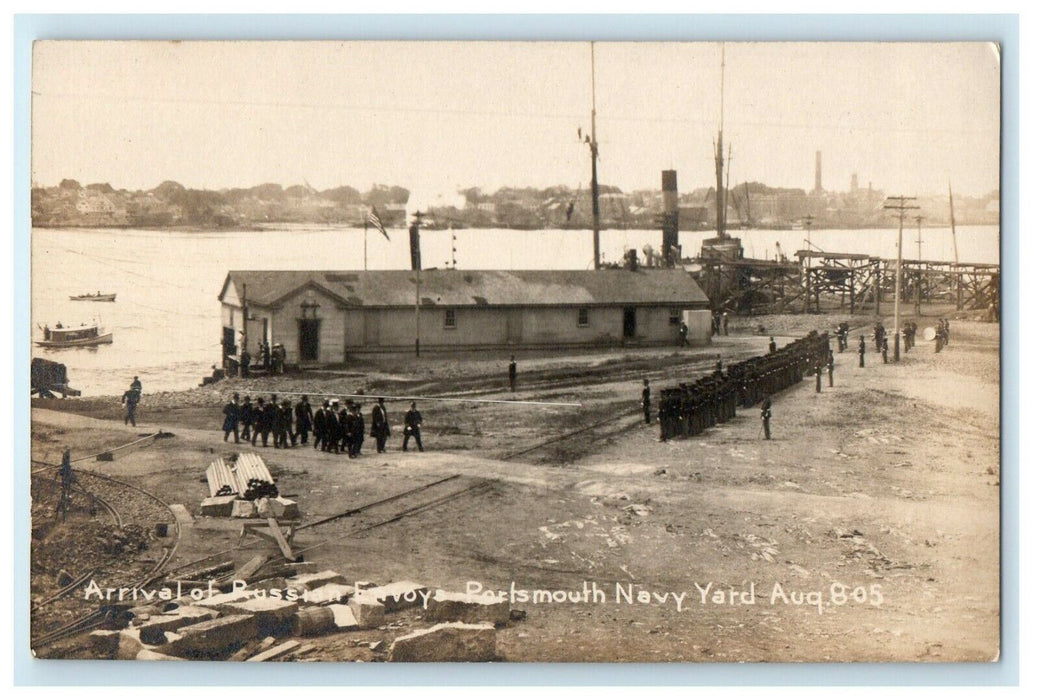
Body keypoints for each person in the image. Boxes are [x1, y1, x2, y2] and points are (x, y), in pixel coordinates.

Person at [56, 447, 74, 521]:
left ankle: (63, 511)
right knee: (65, 488)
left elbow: (65, 466)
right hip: (65, 476)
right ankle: (62, 512)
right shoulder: (66, 457)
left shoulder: (66, 457)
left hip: (66, 476)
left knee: (65, 488)